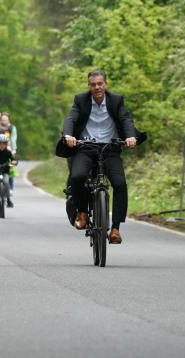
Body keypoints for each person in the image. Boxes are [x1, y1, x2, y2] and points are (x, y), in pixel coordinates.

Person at [59, 69, 143, 244]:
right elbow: (71, 119)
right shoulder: (81, 100)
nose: (96, 87)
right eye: (93, 84)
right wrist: (68, 136)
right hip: (86, 148)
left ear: (105, 84)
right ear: (89, 86)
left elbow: (126, 119)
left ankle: (115, 228)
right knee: (77, 176)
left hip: (110, 148)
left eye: (100, 83)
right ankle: (82, 212)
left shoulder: (116, 100)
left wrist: (130, 137)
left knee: (120, 184)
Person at [0, 112, 18, 191]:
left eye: (5, 120)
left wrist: (13, 150)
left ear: (8, 120)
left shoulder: (12, 127)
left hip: (9, 149)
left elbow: (13, 139)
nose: (4, 121)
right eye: (3, 120)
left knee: (10, 168)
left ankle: (10, 187)